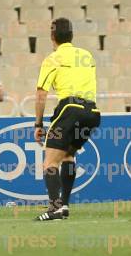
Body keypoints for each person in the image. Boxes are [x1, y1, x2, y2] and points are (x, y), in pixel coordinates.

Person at [34, 18, 100, 221]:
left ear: (52, 37)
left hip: (69, 109)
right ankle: (64, 205)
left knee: (50, 163)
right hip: (92, 113)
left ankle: (54, 208)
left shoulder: (53, 59)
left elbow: (41, 93)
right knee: (68, 156)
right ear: (72, 36)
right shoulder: (87, 55)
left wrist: (38, 124)